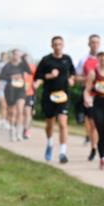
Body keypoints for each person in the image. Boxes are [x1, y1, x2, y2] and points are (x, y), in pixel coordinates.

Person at [34, 36, 77, 164]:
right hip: (49, 96)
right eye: (55, 44)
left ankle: (63, 153)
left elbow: (73, 73)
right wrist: (49, 75)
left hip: (63, 96)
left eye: (60, 44)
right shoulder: (46, 60)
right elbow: (38, 76)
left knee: (63, 123)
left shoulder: (67, 59)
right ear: (52, 46)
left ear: (63, 45)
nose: (58, 46)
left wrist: (72, 79)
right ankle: (50, 143)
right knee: (50, 125)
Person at [77, 34, 102, 160]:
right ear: (89, 44)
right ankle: (93, 148)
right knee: (92, 123)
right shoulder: (84, 59)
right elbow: (77, 77)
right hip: (90, 95)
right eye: (92, 42)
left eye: (97, 42)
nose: (95, 44)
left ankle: (103, 144)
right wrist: (87, 78)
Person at [0, 49, 29, 142]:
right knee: (12, 112)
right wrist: (11, 77)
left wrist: (24, 60)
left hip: (21, 90)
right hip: (10, 90)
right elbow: (1, 77)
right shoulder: (7, 66)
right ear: (12, 55)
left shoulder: (22, 65)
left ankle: (19, 134)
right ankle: (12, 132)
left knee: (20, 110)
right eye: (15, 54)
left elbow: (29, 71)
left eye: (18, 55)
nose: (17, 56)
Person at [21, 54, 36, 139]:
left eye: (28, 59)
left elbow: (37, 78)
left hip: (29, 93)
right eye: (25, 59)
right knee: (21, 112)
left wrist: (36, 83)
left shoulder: (33, 67)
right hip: (19, 94)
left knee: (28, 112)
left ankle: (27, 130)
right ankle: (21, 128)